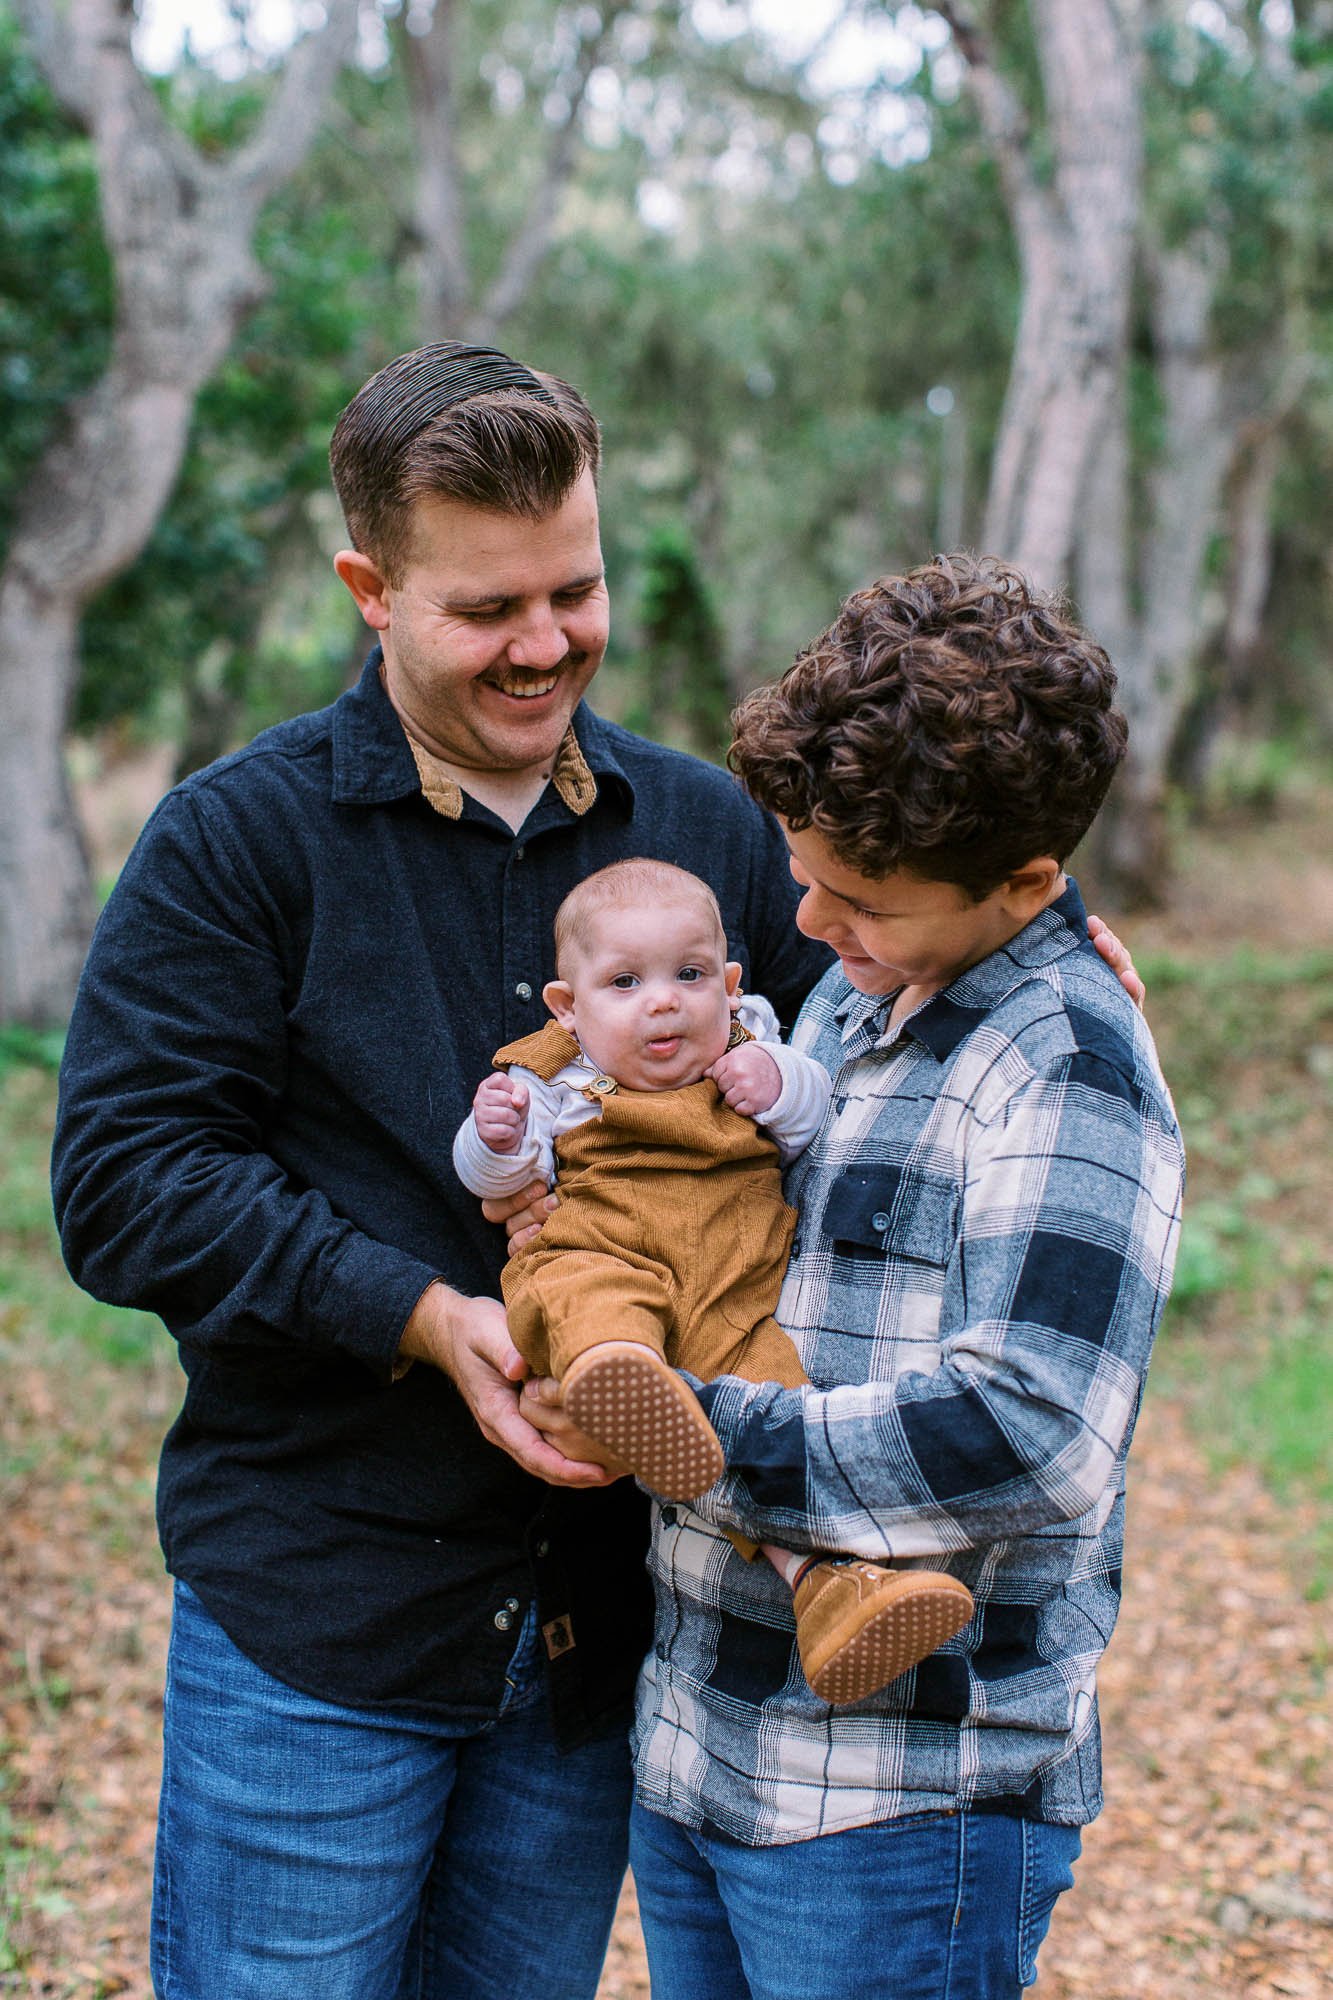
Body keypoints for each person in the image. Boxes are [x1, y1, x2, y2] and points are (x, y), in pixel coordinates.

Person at [50, 338, 1142, 1999]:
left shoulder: (703, 832)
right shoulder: (233, 843)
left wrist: (1045, 932)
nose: (544, 643)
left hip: (588, 1645)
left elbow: (898, 931)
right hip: (322, 1617)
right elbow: (124, 1181)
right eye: (488, 608)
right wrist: (423, 1314)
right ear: (370, 586)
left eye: (574, 588)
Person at [579, 554, 1183, 2000]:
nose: (805, 925)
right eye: (800, 872)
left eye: (854, 896)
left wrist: (697, 1436)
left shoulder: (1069, 1063)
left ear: (1027, 885)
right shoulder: (853, 994)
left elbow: (1027, 1432)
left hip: (904, 1798)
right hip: (706, 1744)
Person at [453, 857, 975, 1704]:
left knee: (776, 1401)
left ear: (730, 986)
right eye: (624, 982)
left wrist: (775, 1083)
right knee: (584, 1299)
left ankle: (829, 1582)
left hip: (733, 1288)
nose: (663, 1000)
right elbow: (492, 1180)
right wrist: (496, 1135)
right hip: (605, 1248)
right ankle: (612, 1376)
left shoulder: (751, 1043)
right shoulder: (550, 1074)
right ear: (568, 1007)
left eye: (689, 975)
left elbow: (811, 1118)